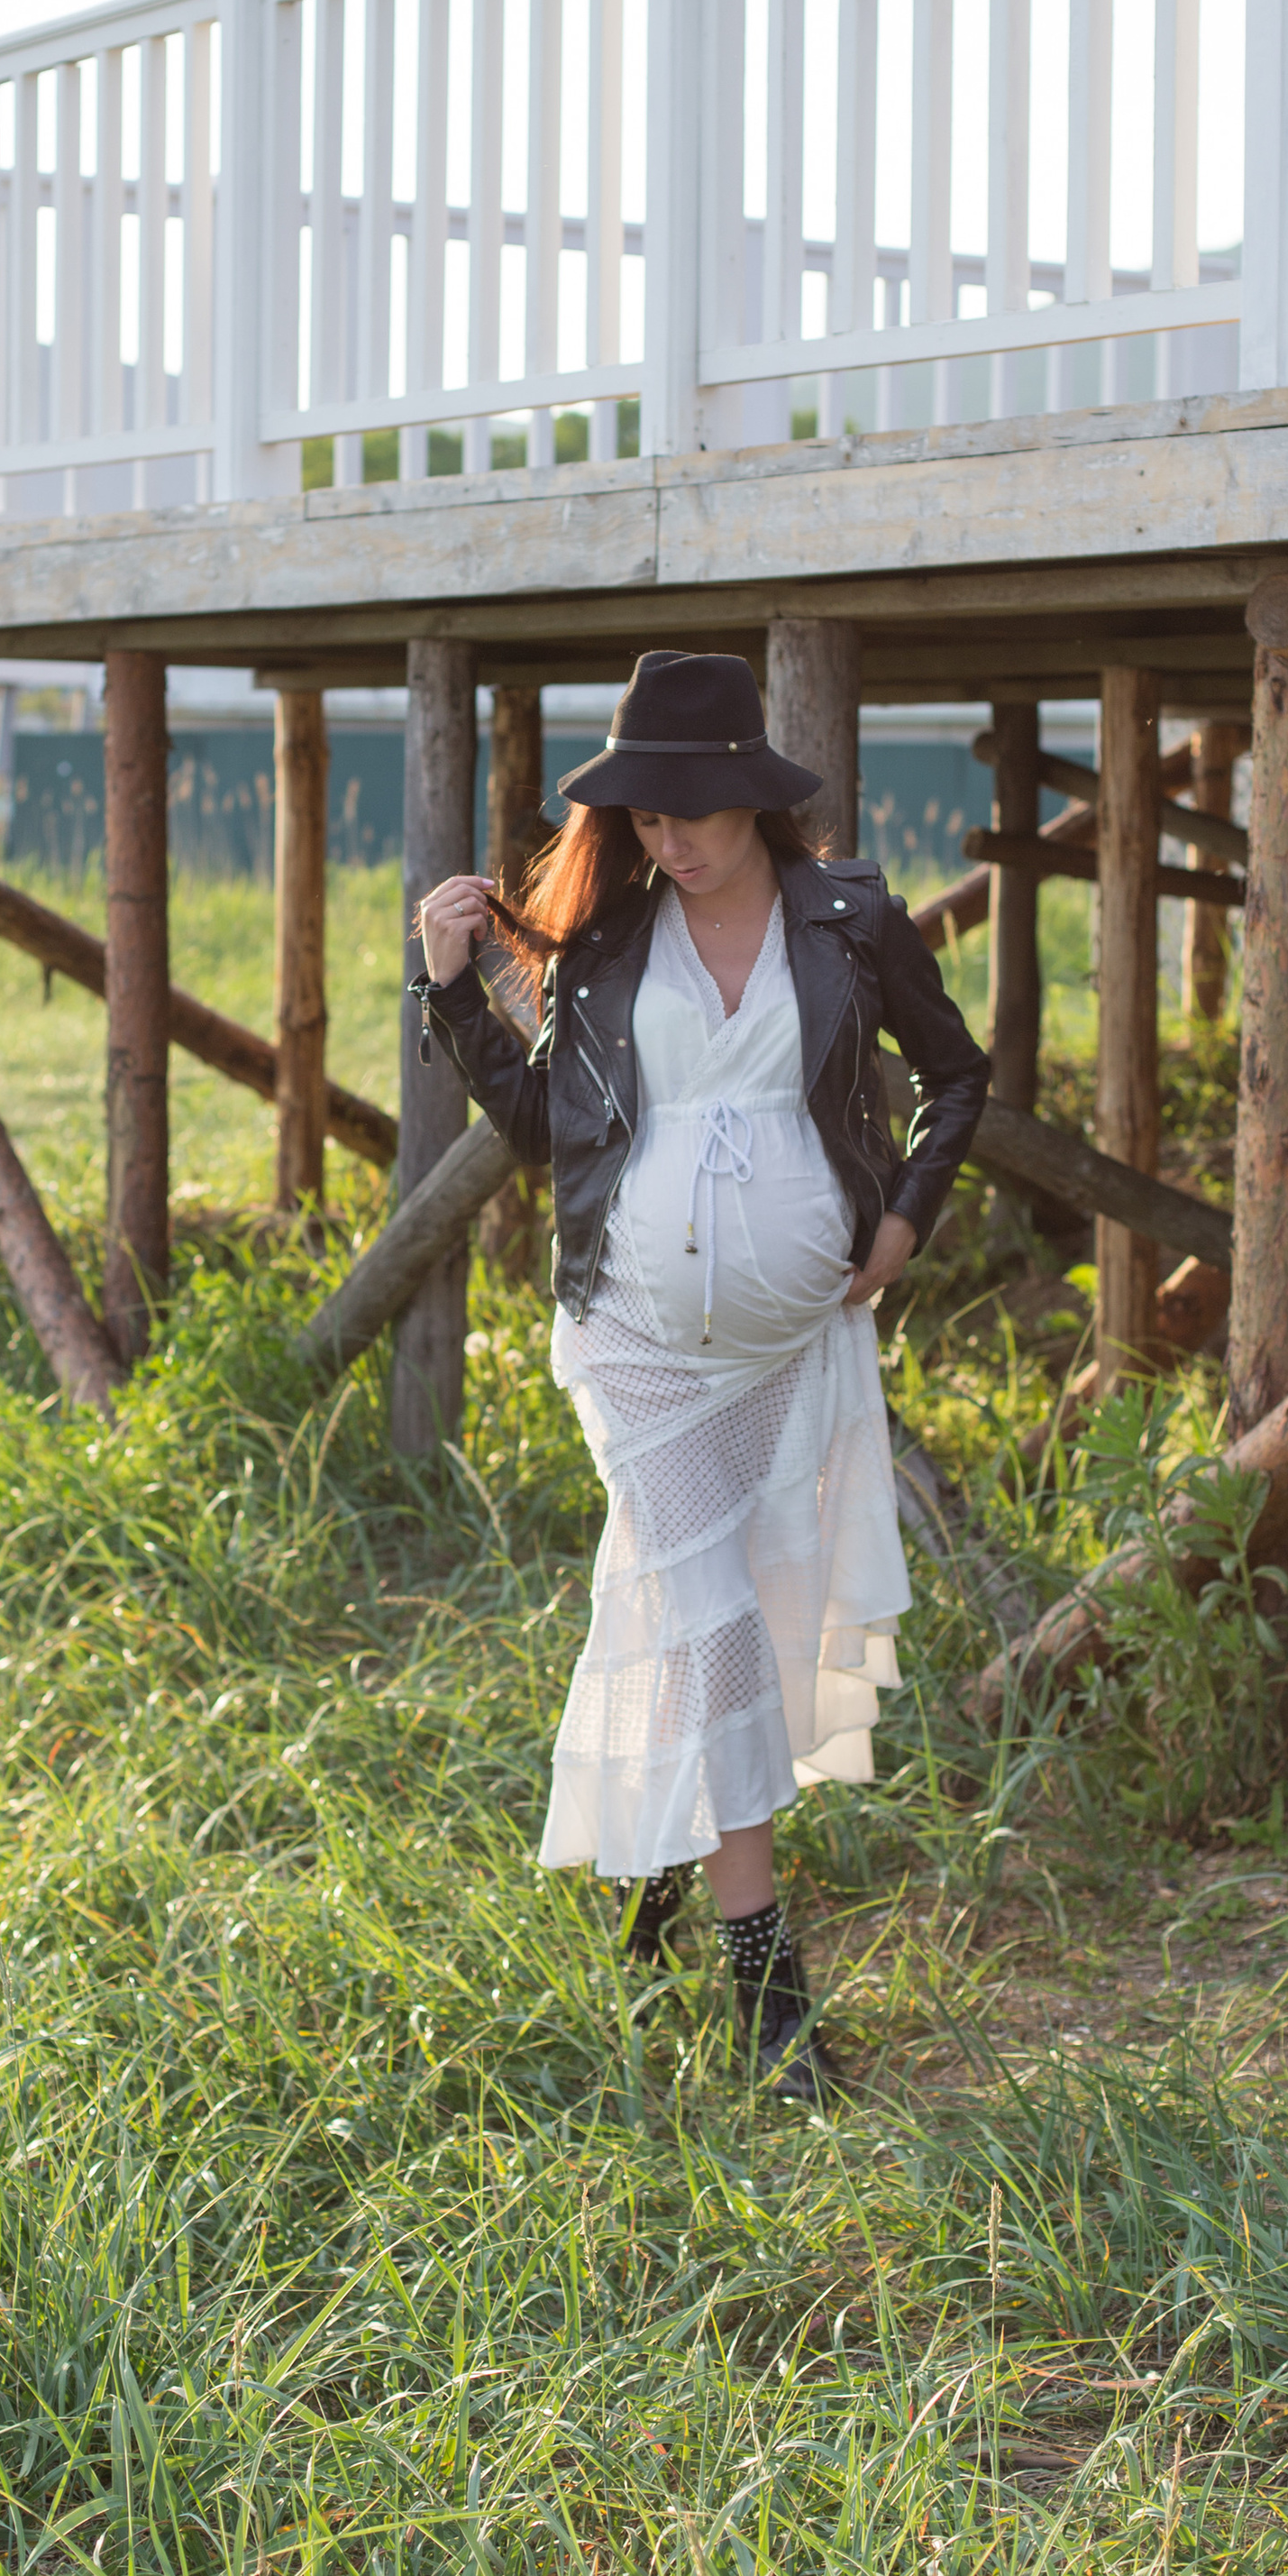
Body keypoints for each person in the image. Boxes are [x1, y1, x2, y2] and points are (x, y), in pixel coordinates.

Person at [411, 648, 989, 2102]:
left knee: (718, 1621)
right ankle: (770, 1999)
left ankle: (657, 1883)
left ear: (752, 797)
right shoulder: (610, 941)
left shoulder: (849, 921)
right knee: (720, 1625)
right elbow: (547, 1129)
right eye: (645, 816)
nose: (667, 839)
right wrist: (453, 993)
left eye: (691, 812)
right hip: (639, 1348)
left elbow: (958, 1073)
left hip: (793, 1350)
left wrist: (907, 1219)